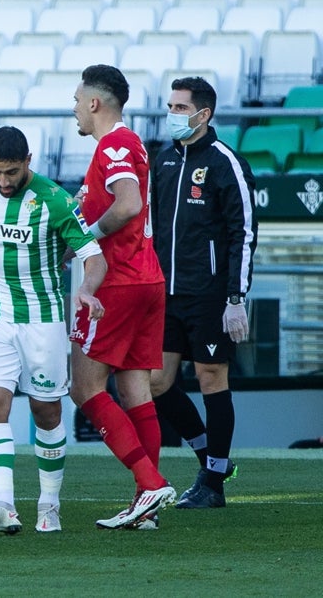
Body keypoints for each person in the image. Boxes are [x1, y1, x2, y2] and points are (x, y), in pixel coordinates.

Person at [0, 126, 107, 535]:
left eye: (11, 172)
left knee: (45, 411)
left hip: (42, 319)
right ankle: (3, 505)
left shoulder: (56, 201)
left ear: (28, 161)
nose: (3, 181)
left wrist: (85, 289)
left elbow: (93, 255)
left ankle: (49, 502)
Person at [69, 64, 176, 529]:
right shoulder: (130, 143)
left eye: (77, 100)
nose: (74, 108)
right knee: (134, 387)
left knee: (85, 387)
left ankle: (149, 483)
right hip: (147, 278)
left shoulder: (113, 143)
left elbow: (128, 204)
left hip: (118, 282)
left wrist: (88, 234)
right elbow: (124, 200)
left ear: (94, 102)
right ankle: (146, 504)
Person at [150, 76, 257, 509]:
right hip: (165, 293)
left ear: (203, 113)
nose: (172, 114)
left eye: (180, 107)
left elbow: (244, 232)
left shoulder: (225, 162)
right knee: (156, 383)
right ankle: (210, 460)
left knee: (212, 377)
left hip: (210, 294)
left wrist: (236, 297)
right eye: (171, 106)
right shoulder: (163, 160)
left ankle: (212, 483)